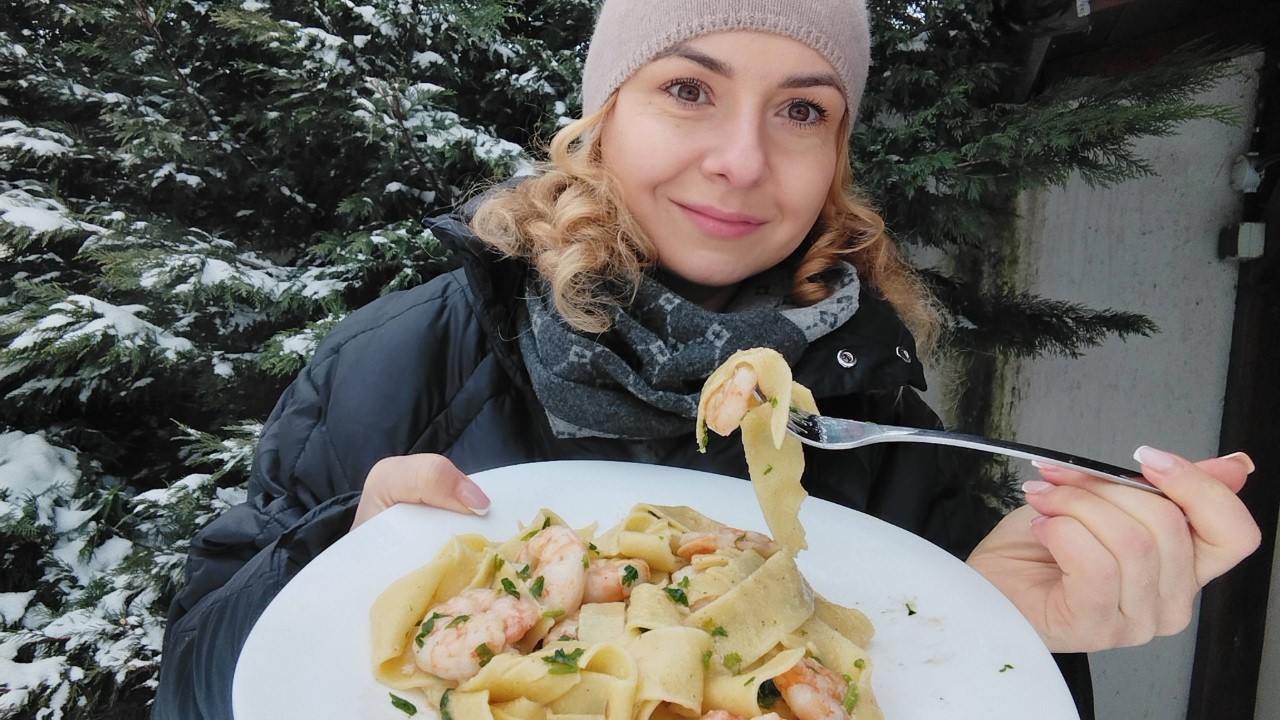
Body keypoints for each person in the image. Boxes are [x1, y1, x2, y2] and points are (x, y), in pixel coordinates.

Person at [151, 1, 1261, 718]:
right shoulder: (398, 363)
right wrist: (325, 569)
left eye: (801, 110)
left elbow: (944, 675)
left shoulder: (872, 404)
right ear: (602, 119)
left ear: (834, 156)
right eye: (687, 88)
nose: (740, 160)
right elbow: (195, 688)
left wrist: (1020, 628)